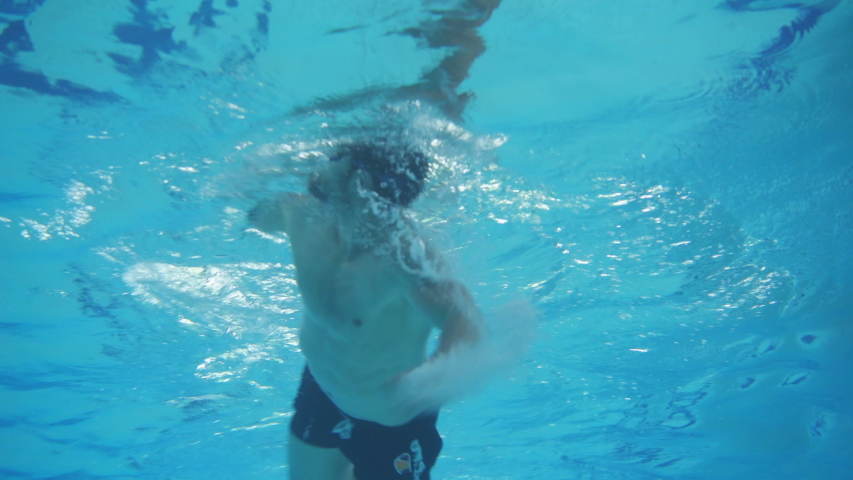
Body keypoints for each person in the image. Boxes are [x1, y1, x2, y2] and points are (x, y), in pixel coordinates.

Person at [248, 138, 492, 480]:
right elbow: (252, 213)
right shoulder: (301, 215)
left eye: (334, 159)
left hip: (390, 423)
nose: (321, 164)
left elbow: (464, 317)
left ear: (359, 180)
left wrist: (432, 377)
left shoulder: (404, 255)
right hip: (321, 390)